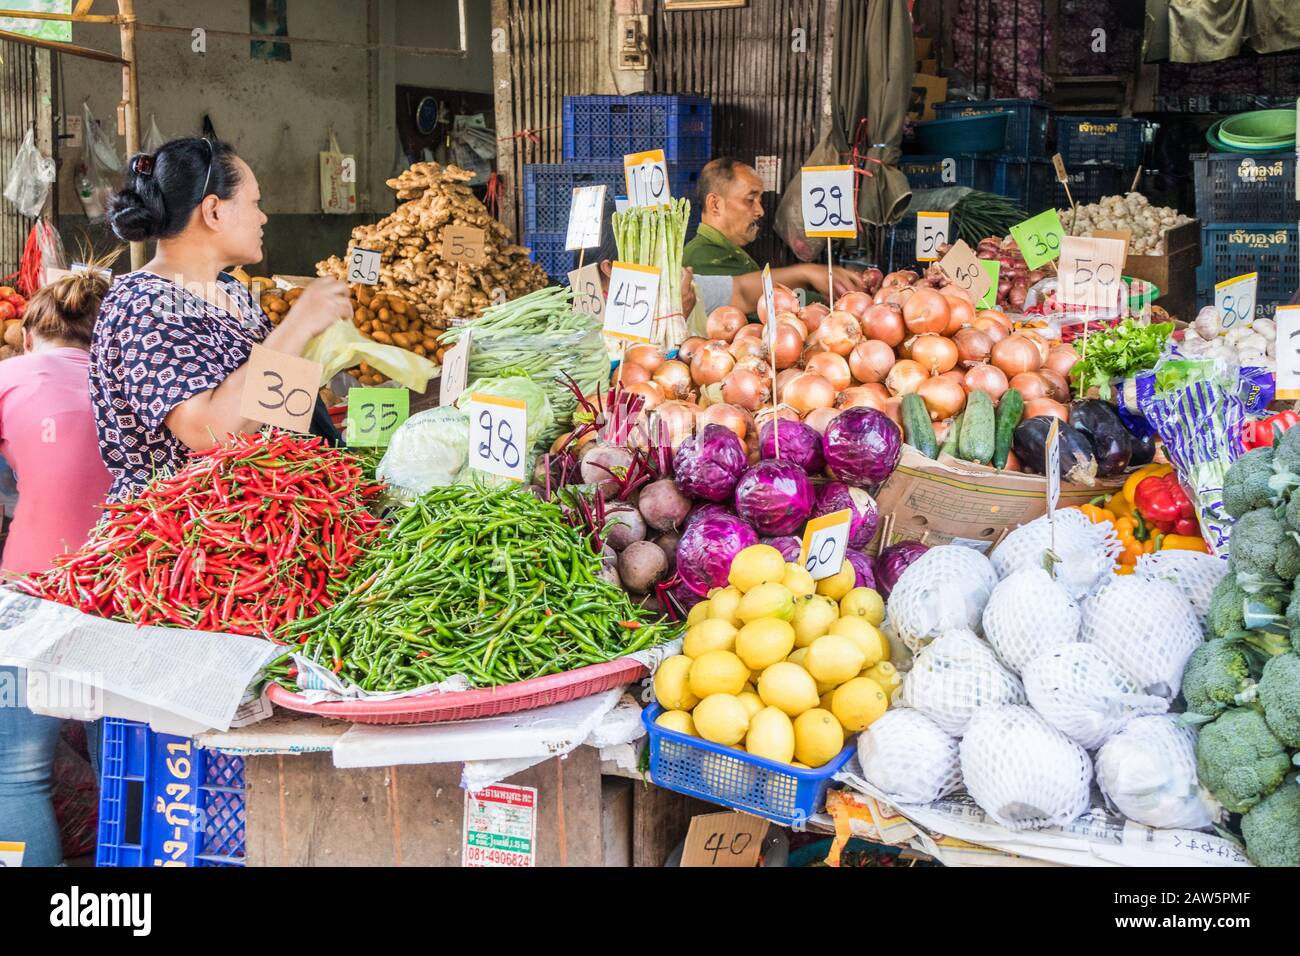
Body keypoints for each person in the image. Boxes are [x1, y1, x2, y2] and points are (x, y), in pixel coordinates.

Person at [94, 138, 351, 503]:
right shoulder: (146, 303)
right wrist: (298, 325)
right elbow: (207, 431)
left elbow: (273, 404)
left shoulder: (232, 291)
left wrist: (325, 345)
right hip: (185, 536)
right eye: (254, 203)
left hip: (262, 519)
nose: (263, 217)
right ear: (213, 211)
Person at [0, 268, 115, 867]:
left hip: (31, 590)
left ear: (26, 335)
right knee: (119, 767)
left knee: (16, 775)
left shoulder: (6, 377)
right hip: (129, 594)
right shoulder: (131, 385)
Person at [682, 158, 864, 305]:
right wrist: (817, 292)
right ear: (715, 204)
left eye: (759, 200)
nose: (760, 211)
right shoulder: (701, 258)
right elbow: (752, 299)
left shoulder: (728, 251)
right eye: (750, 199)